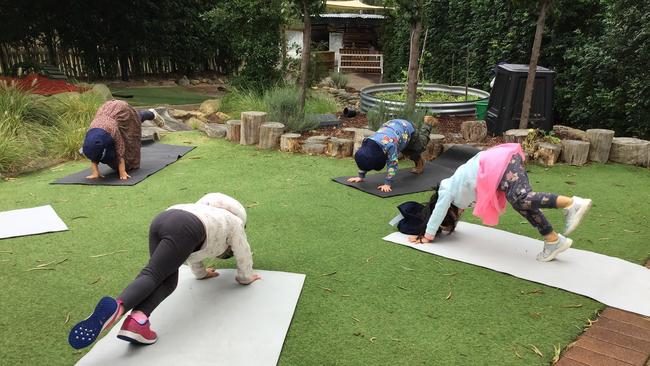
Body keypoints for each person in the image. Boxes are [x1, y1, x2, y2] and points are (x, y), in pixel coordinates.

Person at [68, 193, 261, 349]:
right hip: (186, 228)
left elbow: (191, 252)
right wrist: (245, 276)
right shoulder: (235, 223)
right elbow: (242, 251)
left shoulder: (202, 209)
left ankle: (138, 322)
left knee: (168, 279)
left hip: (163, 218)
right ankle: (118, 306)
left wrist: (201, 274)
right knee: (152, 274)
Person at [407, 143, 592, 262]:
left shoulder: (447, 190)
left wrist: (428, 235)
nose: (459, 216)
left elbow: (438, 210)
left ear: (450, 212)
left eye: (453, 218)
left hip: (499, 163)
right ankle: (553, 240)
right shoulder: (460, 195)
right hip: (499, 166)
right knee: (521, 203)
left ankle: (571, 203)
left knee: (521, 198)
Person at [347, 116, 438, 193]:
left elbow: (392, 164)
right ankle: (419, 161)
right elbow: (366, 158)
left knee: (419, 147)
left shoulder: (390, 146)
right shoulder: (367, 141)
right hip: (394, 127)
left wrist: (387, 183)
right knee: (407, 152)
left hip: (409, 130)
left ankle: (428, 123)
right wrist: (360, 177)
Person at [82, 100, 154, 180]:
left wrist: (122, 171)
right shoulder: (91, 132)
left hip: (122, 111)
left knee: (134, 125)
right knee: (102, 151)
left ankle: (152, 113)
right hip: (108, 114)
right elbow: (94, 151)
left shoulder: (112, 129)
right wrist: (95, 172)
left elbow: (120, 147)